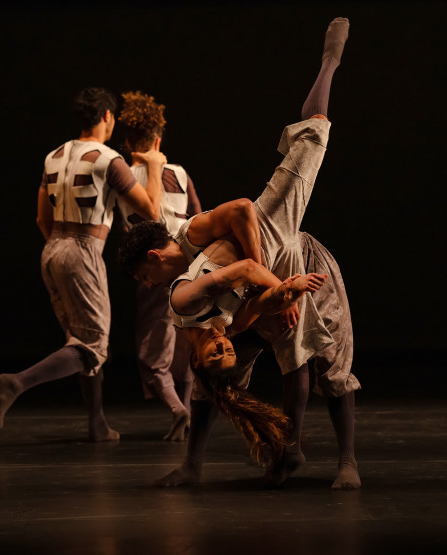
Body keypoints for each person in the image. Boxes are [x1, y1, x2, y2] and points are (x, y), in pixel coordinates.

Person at [116, 17, 361, 488]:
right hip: (270, 281)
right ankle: (222, 459)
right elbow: (244, 318)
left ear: (152, 260)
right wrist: (275, 296)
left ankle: (329, 62)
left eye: (144, 279)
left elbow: (246, 212)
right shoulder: (206, 320)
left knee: (315, 133)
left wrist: (270, 280)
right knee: (227, 377)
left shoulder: (188, 242)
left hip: (279, 239)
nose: (148, 288)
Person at [0, 87, 166, 441]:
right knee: (93, 346)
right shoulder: (107, 159)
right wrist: (155, 166)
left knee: (80, 340)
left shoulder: (53, 155)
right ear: (106, 117)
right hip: (82, 250)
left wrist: (62, 252)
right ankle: (17, 382)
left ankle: (97, 423)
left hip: (52, 250)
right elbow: (150, 211)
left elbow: (42, 219)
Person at [115, 91, 202, 441]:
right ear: (158, 139)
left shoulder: (122, 175)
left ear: (127, 141)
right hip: (185, 262)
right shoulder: (179, 173)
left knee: (153, 351)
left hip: (152, 267)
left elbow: (136, 215)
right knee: (186, 340)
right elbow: (198, 215)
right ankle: (188, 413)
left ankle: (178, 411)